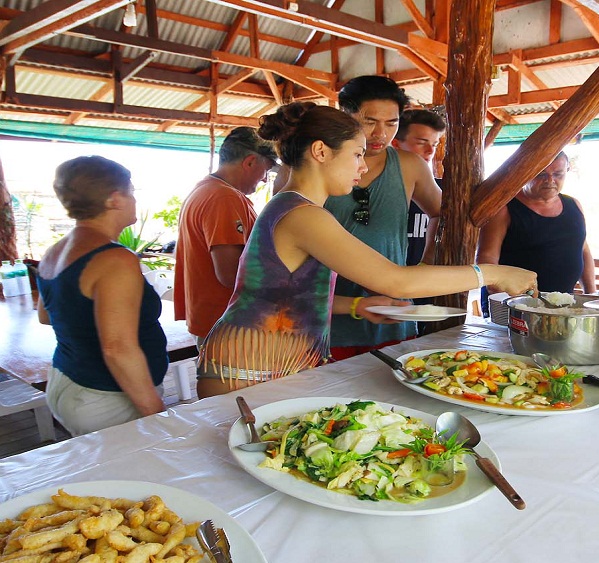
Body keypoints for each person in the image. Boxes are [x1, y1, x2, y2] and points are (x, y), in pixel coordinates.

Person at [196, 102, 536, 398]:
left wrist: (358, 305)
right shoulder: (303, 215)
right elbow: (397, 282)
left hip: (273, 366)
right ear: (320, 152)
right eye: (357, 154)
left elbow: (284, 293)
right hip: (246, 370)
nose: (363, 165)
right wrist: (493, 273)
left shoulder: (297, 208)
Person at [35, 156, 168, 435]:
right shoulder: (115, 259)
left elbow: (46, 316)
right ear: (114, 199)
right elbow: (117, 349)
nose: (134, 200)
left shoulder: (55, 251)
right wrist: (156, 414)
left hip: (66, 381)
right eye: (131, 192)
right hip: (105, 397)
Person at [323, 76, 443, 360]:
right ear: (345, 114)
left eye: (392, 123)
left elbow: (442, 214)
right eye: (369, 121)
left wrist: (427, 262)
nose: (380, 134)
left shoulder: (410, 166)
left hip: (393, 318)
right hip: (326, 322)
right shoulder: (316, 164)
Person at [174, 126, 277, 344]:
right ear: (249, 162)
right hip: (228, 324)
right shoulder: (224, 198)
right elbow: (230, 274)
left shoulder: (204, 189)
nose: (265, 179)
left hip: (215, 320)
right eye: (265, 170)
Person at [477, 151, 597, 296]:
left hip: (563, 301)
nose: (550, 180)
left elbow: (583, 249)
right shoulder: (504, 209)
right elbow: (487, 258)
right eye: (541, 174)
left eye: (558, 174)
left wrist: (590, 294)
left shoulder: (574, 205)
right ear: (526, 172)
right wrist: (499, 290)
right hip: (514, 303)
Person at [392, 108, 447, 266]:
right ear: (396, 144)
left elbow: (443, 217)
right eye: (421, 143)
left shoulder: (443, 190)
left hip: (423, 284)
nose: (430, 151)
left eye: (434, 144)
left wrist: (426, 264)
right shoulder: (368, 186)